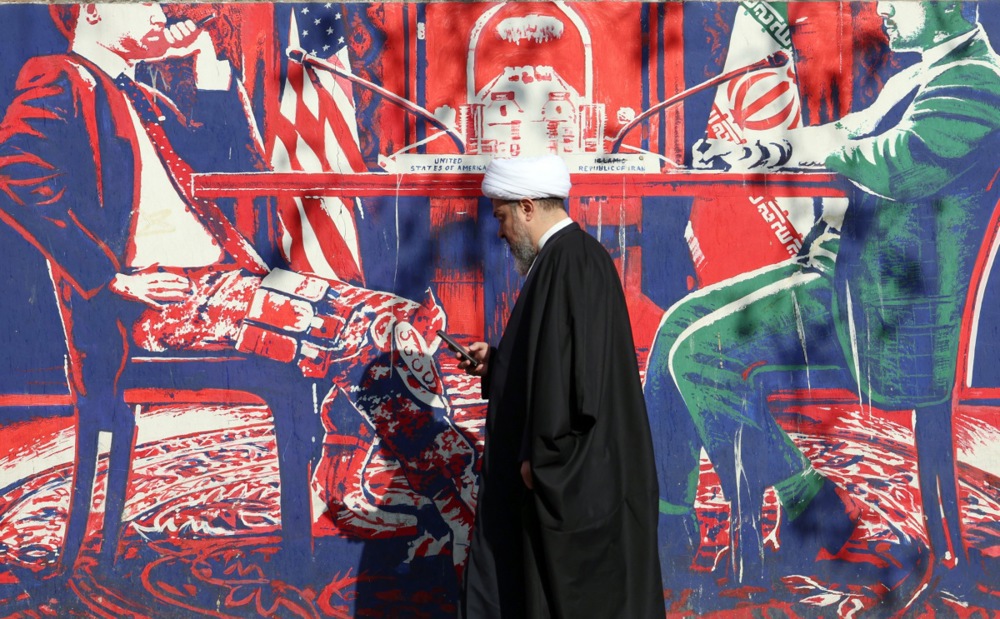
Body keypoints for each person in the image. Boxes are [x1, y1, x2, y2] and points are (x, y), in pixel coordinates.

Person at [0, 2, 476, 584]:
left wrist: (204, 61)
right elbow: (17, 175)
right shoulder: (58, 77)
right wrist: (110, 279)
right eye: (145, 2)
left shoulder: (148, 97)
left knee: (395, 320)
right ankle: (455, 506)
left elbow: (235, 158)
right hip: (159, 304)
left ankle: (386, 491)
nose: (160, 12)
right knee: (362, 330)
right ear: (93, 10)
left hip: (228, 283)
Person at [647, 0, 1000, 598]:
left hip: (880, 311)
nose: (881, 10)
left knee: (697, 354)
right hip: (842, 277)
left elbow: (899, 165)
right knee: (677, 324)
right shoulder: (921, 75)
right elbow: (846, 134)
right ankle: (670, 523)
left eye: (896, 1)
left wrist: (819, 151)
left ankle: (800, 506)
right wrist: (765, 151)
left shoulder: (978, 83)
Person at [458, 156, 664, 618]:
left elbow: (577, 379)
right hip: (571, 480)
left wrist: (542, 461)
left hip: (575, 489)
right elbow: (552, 359)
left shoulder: (569, 262)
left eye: (503, 216)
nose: (501, 231)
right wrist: (498, 365)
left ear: (528, 207)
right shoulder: (569, 260)